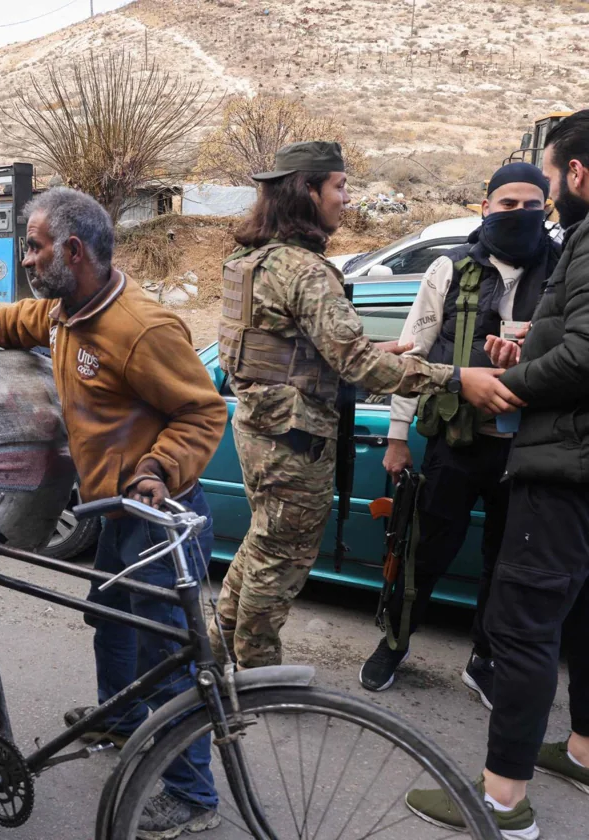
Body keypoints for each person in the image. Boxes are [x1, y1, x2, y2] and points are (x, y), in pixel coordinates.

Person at [0, 187, 230, 838]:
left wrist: (158, 469)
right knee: (110, 620)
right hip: (115, 510)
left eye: (36, 246)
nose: (27, 257)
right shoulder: (67, 311)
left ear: (74, 251)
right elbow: (13, 321)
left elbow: (204, 412)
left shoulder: (142, 327)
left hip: (160, 516)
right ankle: (119, 722)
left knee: (168, 657)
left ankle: (192, 795)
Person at [209, 141, 521, 672]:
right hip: (294, 442)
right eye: (339, 186)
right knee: (279, 560)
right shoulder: (306, 271)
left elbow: (284, 352)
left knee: (260, 548)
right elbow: (362, 370)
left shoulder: (252, 261)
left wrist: (373, 351)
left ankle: (215, 657)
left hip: (263, 430)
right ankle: (259, 671)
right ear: (308, 191)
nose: (345, 199)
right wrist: (456, 377)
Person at [407, 109, 589, 840]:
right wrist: (529, 353)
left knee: (521, 626)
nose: (540, 200)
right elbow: (569, 339)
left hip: (564, 467)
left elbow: (582, 356)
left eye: (545, 181)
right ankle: (579, 751)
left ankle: (501, 803)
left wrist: (511, 384)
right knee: (580, 620)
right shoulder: (461, 263)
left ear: (575, 173)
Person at [359, 162, 561, 701]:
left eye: (531, 205)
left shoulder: (564, 271)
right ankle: (395, 644)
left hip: (529, 450)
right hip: (455, 443)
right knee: (424, 551)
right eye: (507, 204)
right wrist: (399, 438)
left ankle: (484, 658)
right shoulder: (447, 270)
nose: (519, 214)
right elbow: (412, 352)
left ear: (549, 208)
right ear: (485, 207)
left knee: (505, 565)